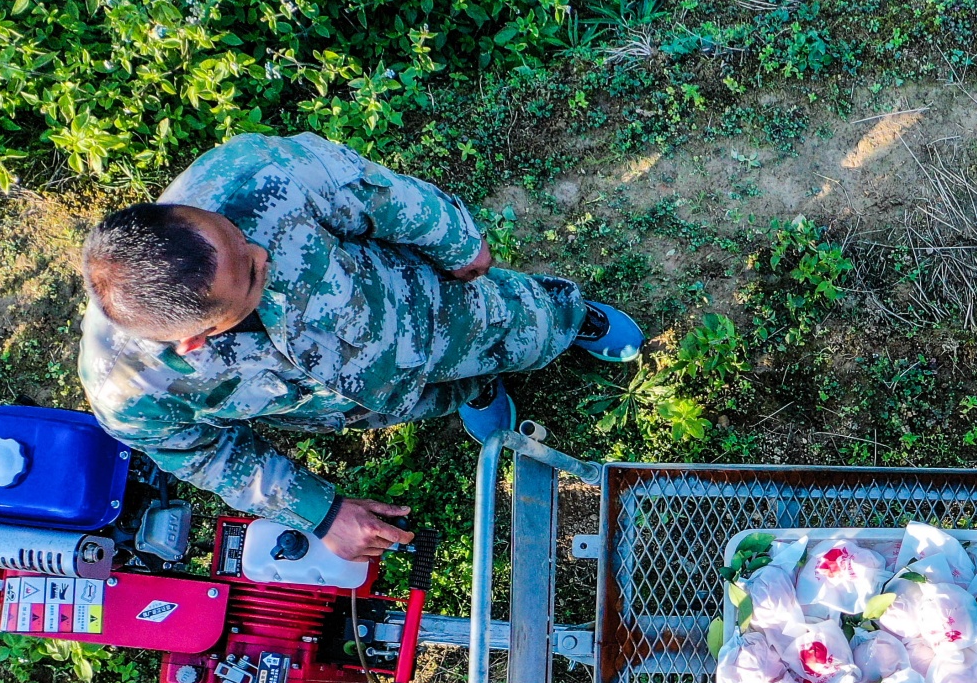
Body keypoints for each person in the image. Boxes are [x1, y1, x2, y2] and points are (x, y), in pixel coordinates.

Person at [75, 132, 643, 559]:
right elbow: (204, 453)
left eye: (243, 241)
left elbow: (381, 196)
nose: (262, 255)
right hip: (355, 401)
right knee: (442, 396)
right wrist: (318, 513)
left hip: (429, 306)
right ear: (199, 339)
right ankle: (473, 388)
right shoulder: (130, 392)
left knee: (519, 323)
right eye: (249, 278)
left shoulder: (256, 174)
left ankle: (569, 319)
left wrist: (458, 241)